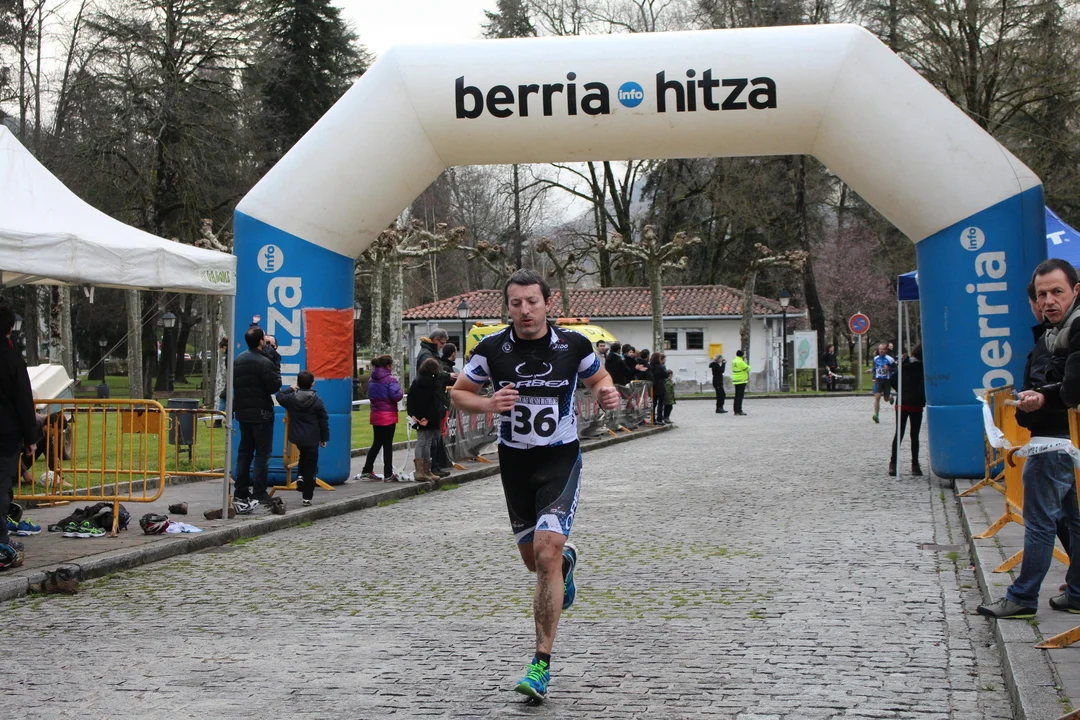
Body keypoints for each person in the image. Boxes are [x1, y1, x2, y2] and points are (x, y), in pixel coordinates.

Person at [450, 269, 620, 702]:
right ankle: (565, 565)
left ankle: (540, 664)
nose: (525, 310)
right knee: (535, 563)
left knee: (546, 552)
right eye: (516, 303)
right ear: (507, 307)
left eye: (532, 301)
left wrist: (608, 392)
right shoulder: (491, 349)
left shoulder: (573, 345)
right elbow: (459, 393)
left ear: (548, 303)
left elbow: (599, 378)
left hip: (559, 458)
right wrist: (489, 403)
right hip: (515, 463)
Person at [978, 258, 1080, 619]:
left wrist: (1038, 399)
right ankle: (1078, 592)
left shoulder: (1074, 329)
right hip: (1061, 440)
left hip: (1054, 443)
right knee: (1072, 520)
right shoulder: (1054, 333)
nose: (1048, 301)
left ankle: (1022, 596)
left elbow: (1070, 390)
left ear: (1076, 291)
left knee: (1040, 523)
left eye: (1057, 292)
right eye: (1042, 295)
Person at [0, 305, 36, 570]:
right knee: (1, 484)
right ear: (10, 328)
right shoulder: (11, 358)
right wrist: (31, 436)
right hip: (5, 431)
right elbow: (23, 399)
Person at [231, 325, 281, 513]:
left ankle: (241, 490)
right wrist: (275, 362)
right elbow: (274, 386)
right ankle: (259, 491)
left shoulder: (238, 360)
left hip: (243, 412)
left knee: (244, 452)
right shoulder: (265, 362)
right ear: (261, 341)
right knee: (262, 453)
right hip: (261, 412)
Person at [275, 370, 329, 507]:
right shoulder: (317, 401)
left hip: (297, 436)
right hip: (312, 437)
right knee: (311, 466)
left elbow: (279, 396)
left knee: (303, 455)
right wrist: (324, 437)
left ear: (298, 384)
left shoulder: (291, 399)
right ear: (312, 384)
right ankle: (307, 497)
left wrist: (290, 388)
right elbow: (323, 421)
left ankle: (300, 477)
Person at [416, 328, 455, 477]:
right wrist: (448, 376)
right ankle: (429, 468)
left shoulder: (430, 353)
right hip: (430, 400)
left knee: (435, 437)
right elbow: (434, 375)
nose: (442, 347)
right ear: (435, 340)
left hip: (435, 399)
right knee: (430, 439)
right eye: (442, 343)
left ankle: (434, 467)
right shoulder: (427, 355)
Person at [359, 355, 403, 483]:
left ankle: (366, 470)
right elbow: (395, 396)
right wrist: (400, 391)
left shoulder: (371, 380)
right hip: (388, 415)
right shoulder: (390, 380)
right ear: (388, 366)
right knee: (387, 445)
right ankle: (388, 474)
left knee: (377, 443)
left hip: (376, 413)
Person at [888, 344, 925, 476]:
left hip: (902, 403)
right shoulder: (922, 368)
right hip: (916, 403)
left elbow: (892, 379)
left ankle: (893, 463)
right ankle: (915, 465)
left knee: (899, 433)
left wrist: (901, 390)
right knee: (914, 436)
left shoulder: (904, 365)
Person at [406, 357, 444, 482]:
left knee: (421, 441)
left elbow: (410, 399)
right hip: (430, 417)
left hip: (418, 416)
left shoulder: (416, 381)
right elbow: (435, 402)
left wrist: (412, 414)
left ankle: (421, 470)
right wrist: (428, 418)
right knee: (427, 442)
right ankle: (426, 470)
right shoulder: (435, 382)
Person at [868, 343, 896, 424]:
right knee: (877, 396)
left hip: (887, 380)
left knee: (886, 399)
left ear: (886, 350)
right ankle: (876, 415)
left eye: (883, 349)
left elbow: (896, 369)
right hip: (878, 380)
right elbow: (875, 368)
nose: (881, 351)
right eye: (880, 349)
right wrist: (871, 371)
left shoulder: (890, 359)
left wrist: (889, 369)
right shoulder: (875, 358)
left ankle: (890, 397)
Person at [649, 352, 667, 425]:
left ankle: (653, 419)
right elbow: (665, 375)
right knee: (660, 404)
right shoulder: (660, 367)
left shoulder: (650, 366)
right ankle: (659, 419)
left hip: (653, 386)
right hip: (660, 386)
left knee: (653, 404)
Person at [731, 350, 750, 415]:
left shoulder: (734, 361)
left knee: (736, 395)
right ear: (742, 355)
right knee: (740, 396)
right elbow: (748, 369)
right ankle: (739, 410)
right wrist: (748, 366)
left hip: (735, 379)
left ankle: (735, 410)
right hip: (741, 379)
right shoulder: (741, 362)